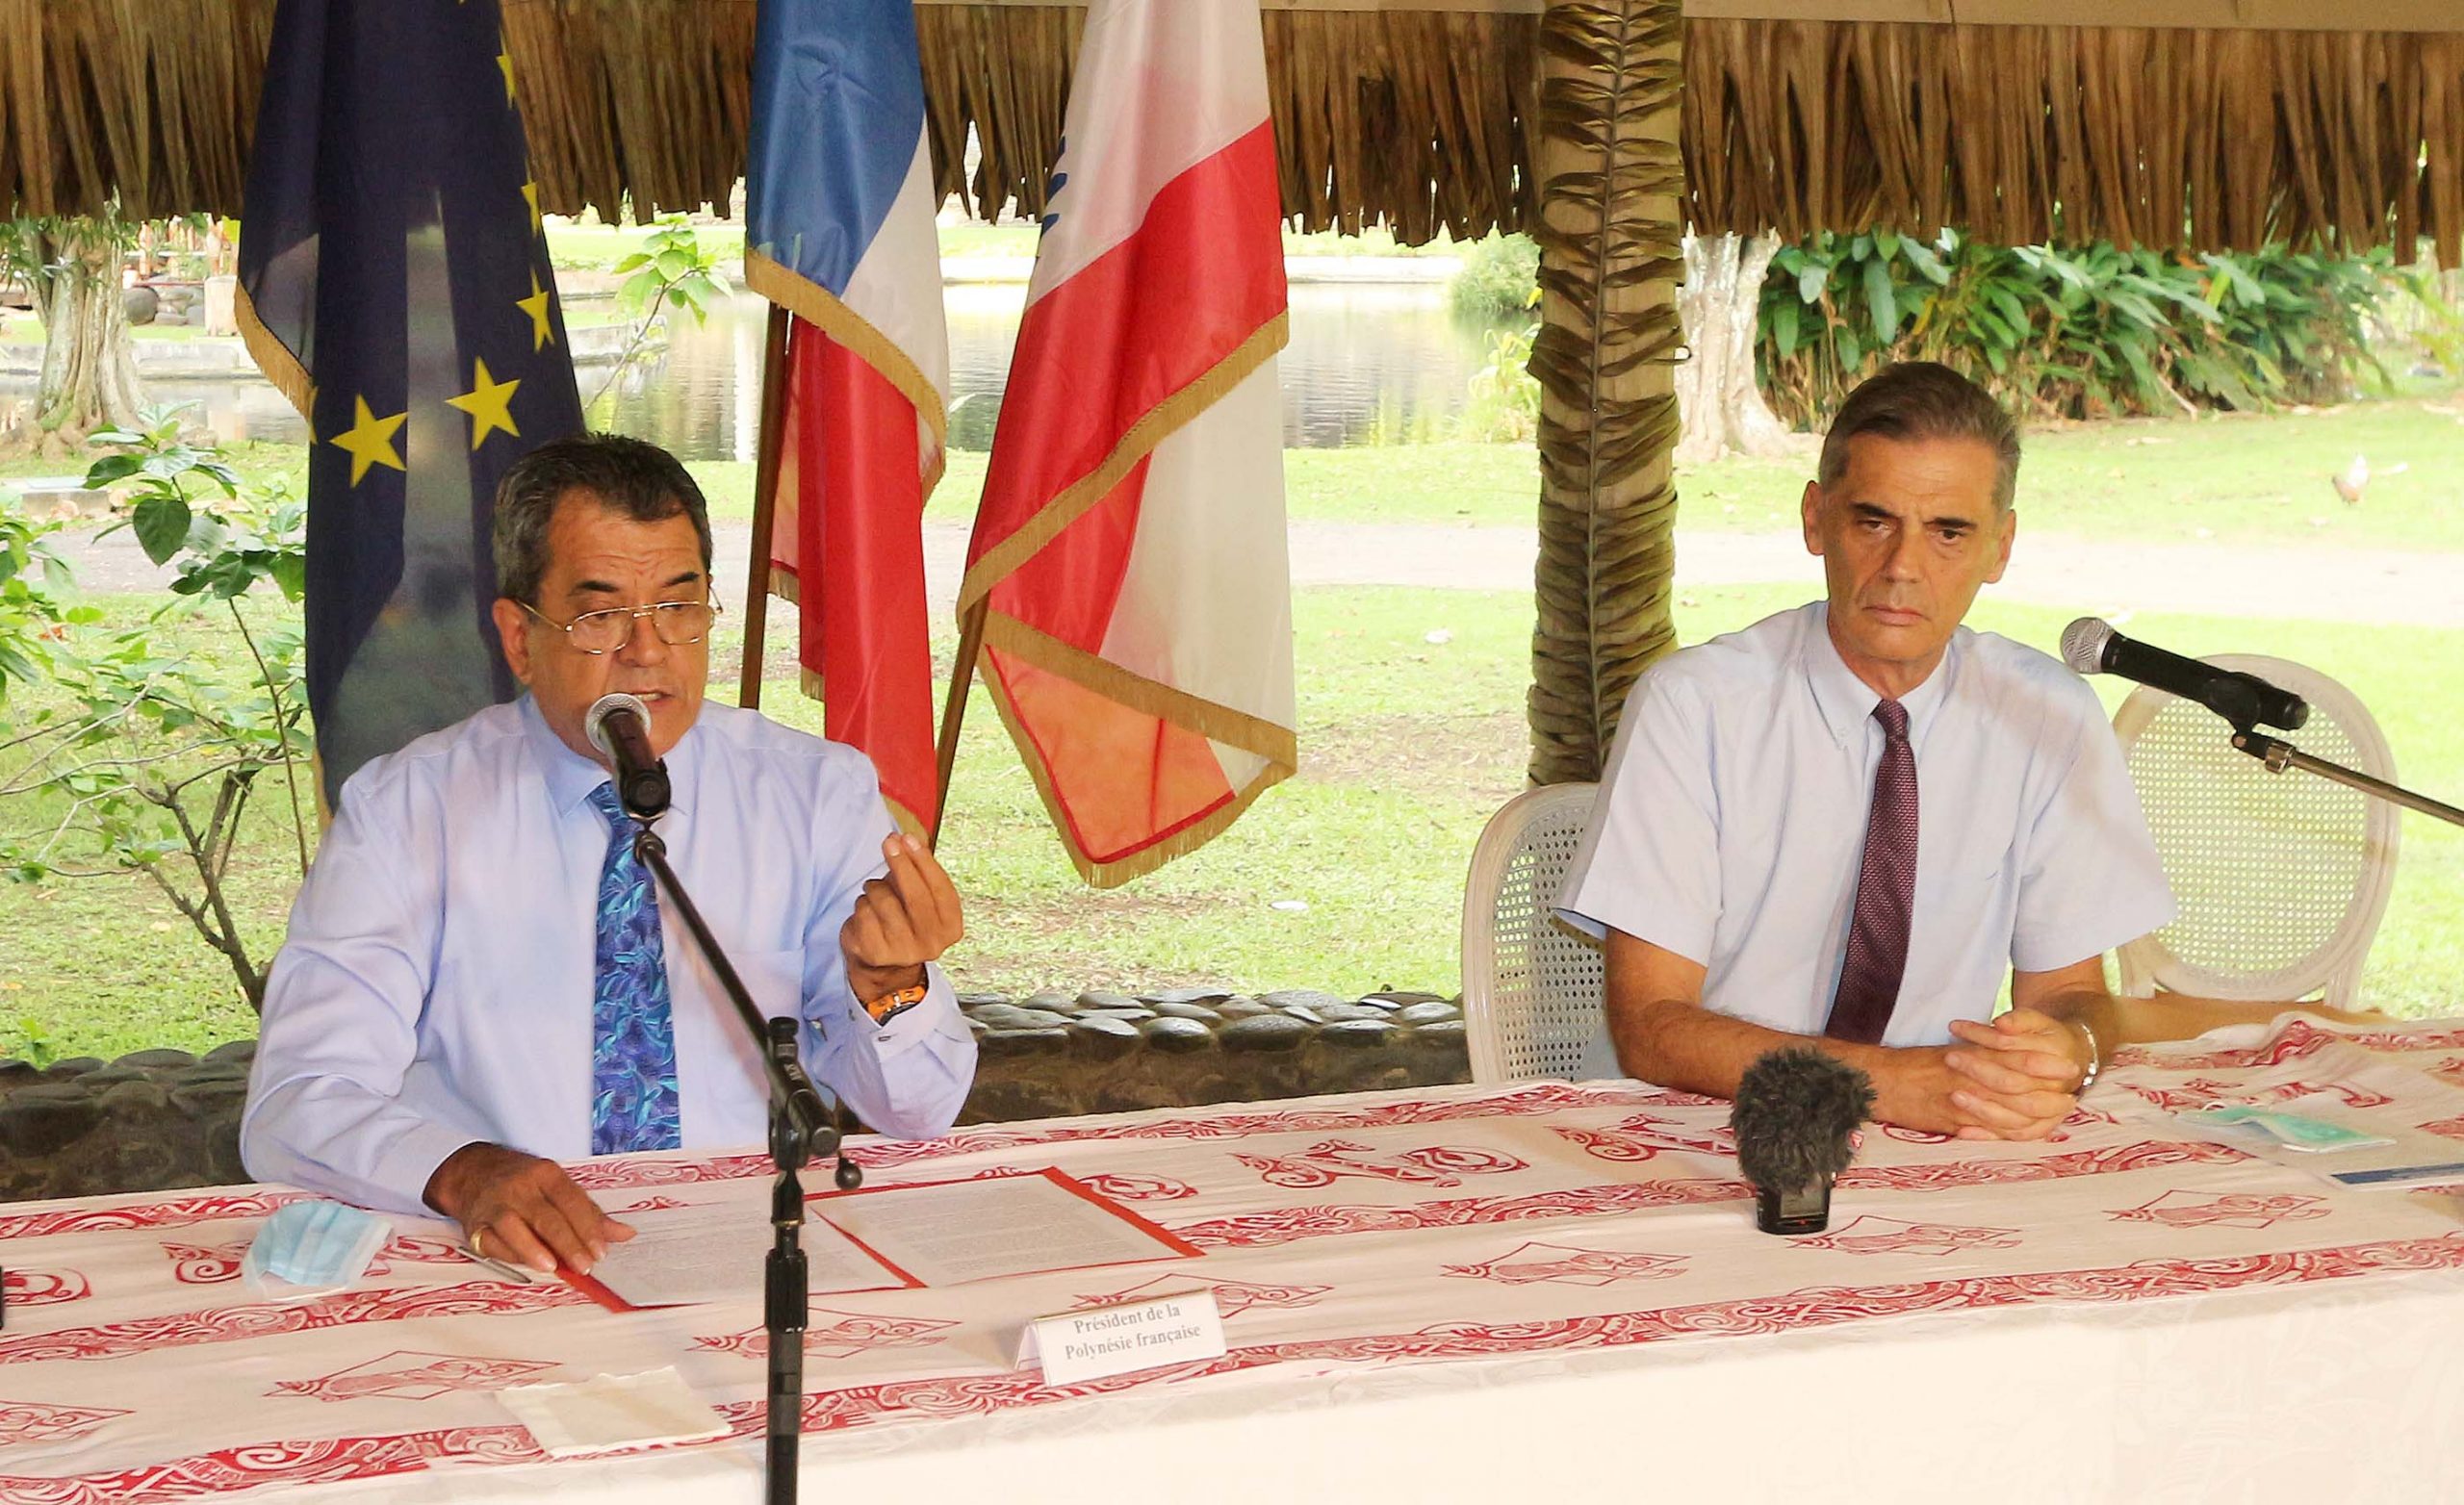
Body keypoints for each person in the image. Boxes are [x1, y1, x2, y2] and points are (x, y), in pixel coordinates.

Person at [243, 434, 975, 1273]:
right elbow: (297, 1104)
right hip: (498, 1261)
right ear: (519, 639)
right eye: (599, 615)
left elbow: (918, 1114)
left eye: (679, 605)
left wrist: (889, 988)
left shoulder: (813, 794)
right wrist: (461, 1170)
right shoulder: (407, 810)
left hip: (744, 1250)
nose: (649, 649)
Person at [1557, 362, 2174, 1140]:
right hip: (1682, 1132)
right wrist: (1885, 1084)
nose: (1903, 568)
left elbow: (2069, 992)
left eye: (1948, 532)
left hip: (1925, 1141)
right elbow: (1649, 1026)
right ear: (1816, 520)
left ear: (2001, 547)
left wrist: (2069, 1048)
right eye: (1873, 521)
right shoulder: (1697, 707)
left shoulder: (2047, 715)